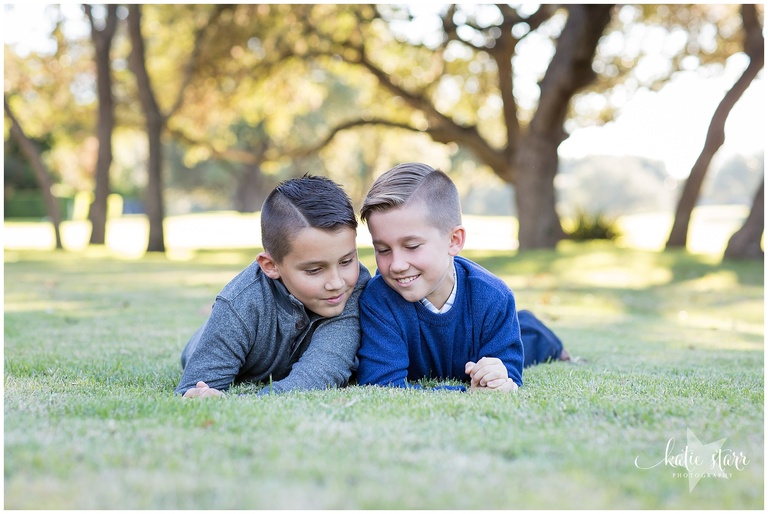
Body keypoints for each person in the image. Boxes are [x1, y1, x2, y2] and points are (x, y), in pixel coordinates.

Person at [356, 162, 569, 392]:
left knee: (530, 344)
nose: (396, 265)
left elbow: (509, 377)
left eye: (412, 246)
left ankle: (540, 335)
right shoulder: (378, 299)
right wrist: (467, 392)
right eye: (383, 250)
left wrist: (500, 381)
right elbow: (382, 386)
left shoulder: (493, 298)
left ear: (454, 241)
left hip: (489, 335)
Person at [176, 175, 371, 398]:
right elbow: (192, 390)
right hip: (213, 339)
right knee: (217, 333)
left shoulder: (353, 287)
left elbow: (322, 370)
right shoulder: (239, 305)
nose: (336, 283)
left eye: (346, 261)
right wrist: (207, 396)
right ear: (270, 266)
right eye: (314, 270)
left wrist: (243, 402)